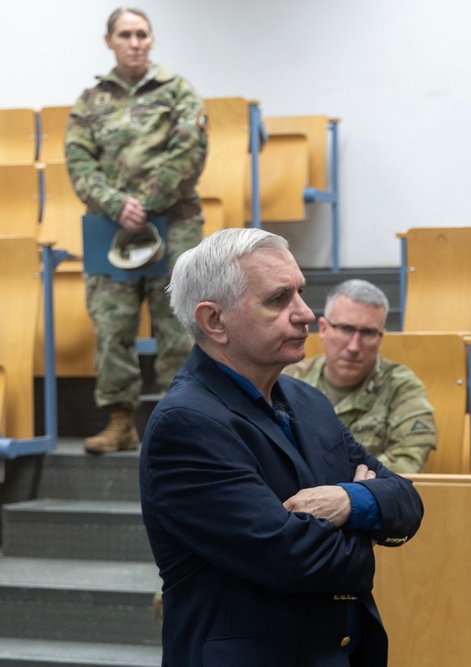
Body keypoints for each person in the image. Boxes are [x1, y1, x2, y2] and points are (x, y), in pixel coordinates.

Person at [139, 228, 423, 666]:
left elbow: (406, 500)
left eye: (301, 293)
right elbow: (295, 561)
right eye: (278, 299)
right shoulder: (187, 424)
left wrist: (349, 500)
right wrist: (368, 527)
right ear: (215, 321)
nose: (306, 313)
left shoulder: (308, 400)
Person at [66, 7, 207, 454]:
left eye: (142, 34)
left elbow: (190, 152)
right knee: (112, 326)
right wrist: (116, 205)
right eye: (125, 34)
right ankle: (120, 423)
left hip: (174, 221)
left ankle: (180, 423)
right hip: (110, 228)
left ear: (151, 40)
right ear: (109, 41)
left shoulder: (178, 91)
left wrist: (143, 203)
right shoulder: (90, 102)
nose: (135, 42)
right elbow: (78, 163)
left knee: (178, 324)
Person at [283, 280, 436, 473]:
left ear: (380, 338)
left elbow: (408, 462)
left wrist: (343, 492)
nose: (354, 346)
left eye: (368, 332)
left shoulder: (401, 387)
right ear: (323, 329)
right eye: (345, 329)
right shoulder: (290, 381)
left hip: (372, 501)